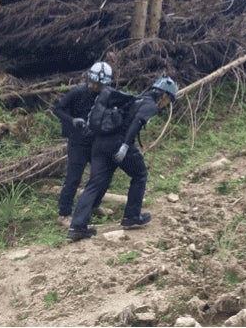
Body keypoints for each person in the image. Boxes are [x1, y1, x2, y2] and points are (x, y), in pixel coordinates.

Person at [67, 76, 178, 241]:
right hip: (118, 144)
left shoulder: (136, 99)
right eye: (169, 100)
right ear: (164, 95)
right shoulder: (150, 105)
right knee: (140, 174)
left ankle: (76, 227)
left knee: (94, 184)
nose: (167, 104)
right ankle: (132, 216)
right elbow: (136, 123)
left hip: (100, 143)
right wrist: (125, 146)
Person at [52, 62, 114, 228]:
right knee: (73, 178)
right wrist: (72, 120)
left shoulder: (107, 94)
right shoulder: (77, 92)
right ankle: (64, 214)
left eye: (101, 85)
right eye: (95, 84)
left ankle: (95, 205)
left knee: (103, 175)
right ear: (89, 80)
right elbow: (57, 109)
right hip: (78, 142)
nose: (97, 87)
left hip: (97, 141)